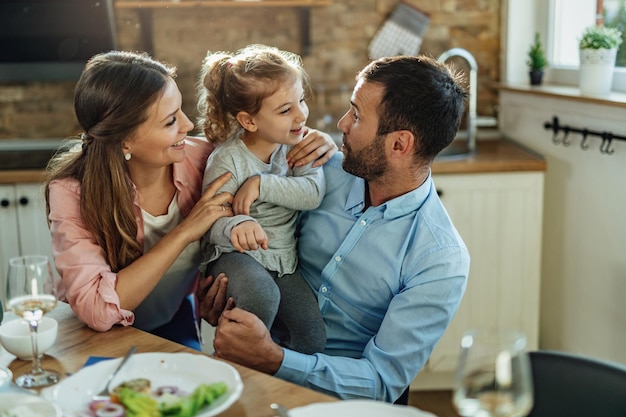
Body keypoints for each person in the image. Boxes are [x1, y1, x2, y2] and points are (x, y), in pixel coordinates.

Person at [198, 54, 471, 402]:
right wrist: (226, 303)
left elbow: (382, 382)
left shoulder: (439, 260)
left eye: (356, 116)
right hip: (252, 378)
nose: (341, 124)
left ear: (400, 144)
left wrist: (274, 359)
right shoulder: (319, 169)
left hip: (343, 402)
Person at [43, 50, 336, 350]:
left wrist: (318, 142)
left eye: (180, 110)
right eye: (170, 121)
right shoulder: (72, 193)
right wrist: (184, 232)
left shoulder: (204, 160)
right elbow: (96, 309)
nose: (186, 125)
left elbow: (267, 126)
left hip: (173, 319)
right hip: (90, 338)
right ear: (125, 141)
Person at [196, 44, 326, 354]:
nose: (301, 115)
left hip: (283, 260)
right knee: (261, 294)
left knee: (312, 336)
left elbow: (312, 193)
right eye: (285, 110)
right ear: (249, 121)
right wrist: (236, 223)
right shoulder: (227, 160)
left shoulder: (299, 145)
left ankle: (281, 389)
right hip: (234, 256)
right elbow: (210, 222)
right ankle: (232, 367)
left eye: (302, 101)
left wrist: (261, 184)